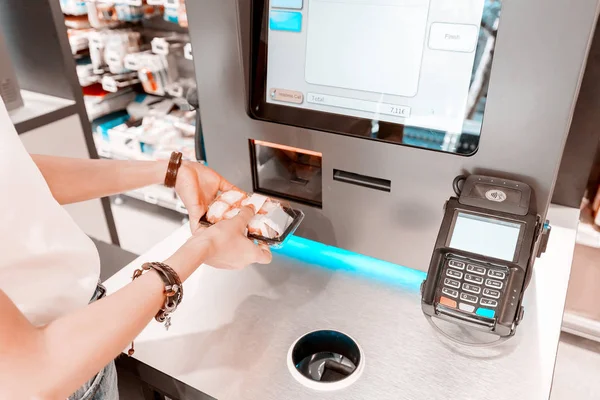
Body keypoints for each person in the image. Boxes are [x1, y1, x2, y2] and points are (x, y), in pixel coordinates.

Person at [0, 99, 272, 399]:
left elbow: (16, 175)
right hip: (64, 371)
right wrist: (203, 247)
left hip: (83, 324)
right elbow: (33, 373)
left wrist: (172, 170)